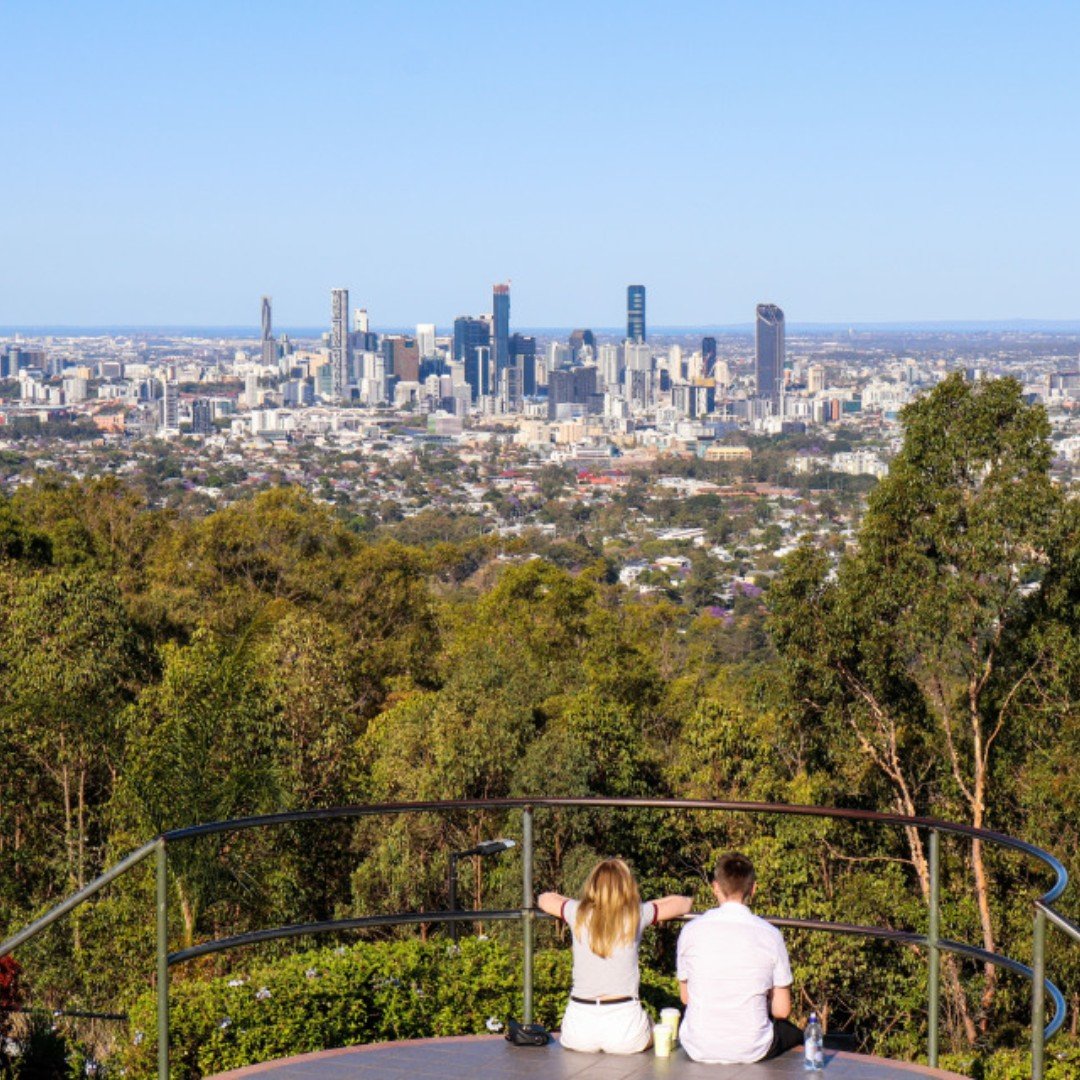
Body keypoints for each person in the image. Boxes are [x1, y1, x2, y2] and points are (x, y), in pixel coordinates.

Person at [538, 858, 692, 1054]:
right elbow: (683, 903)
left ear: (592, 884)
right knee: (655, 1025)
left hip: (578, 1029)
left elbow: (545, 899)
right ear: (627, 885)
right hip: (624, 1028)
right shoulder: (637, 913)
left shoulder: (576, 912)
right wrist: (648, 903)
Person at [677, 851, 804, 1064]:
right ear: (753, 889)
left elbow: (686, 998)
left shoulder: (690, 930)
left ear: (715, 887)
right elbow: (782, 1010)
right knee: (798, 1033)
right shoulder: (771, 934)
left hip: (697, 1045)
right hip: (753, 1048)